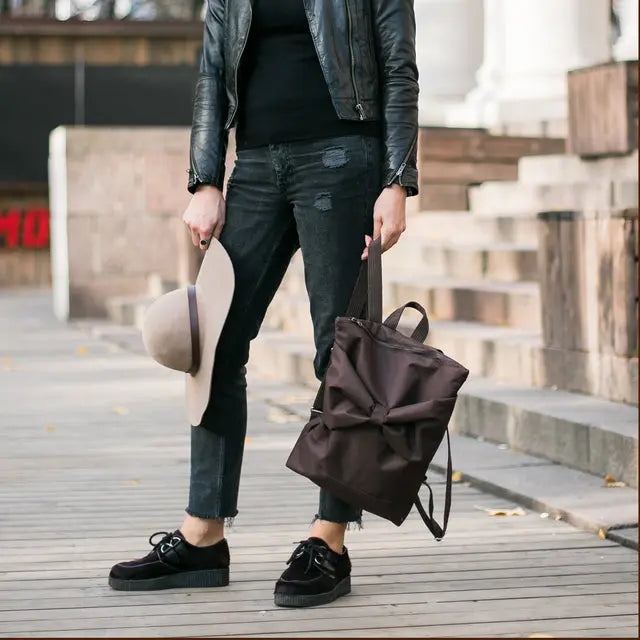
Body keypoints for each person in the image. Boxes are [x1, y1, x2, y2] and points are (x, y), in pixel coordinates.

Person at [109, 0, 419, 607]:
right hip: (252, 164)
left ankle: (328, 539)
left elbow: (398, 66)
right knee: (214, 343)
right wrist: (204, 178)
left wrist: (397, 180)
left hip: (340, 158)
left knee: (340, 353)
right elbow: (212, 70)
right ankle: (204, 535)